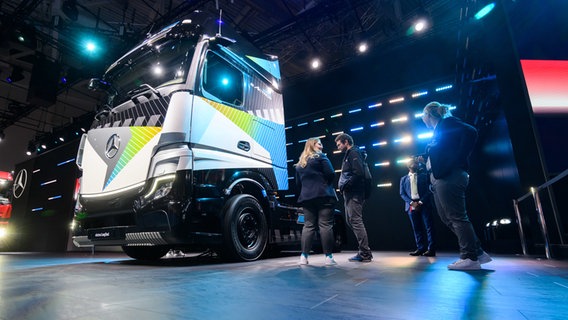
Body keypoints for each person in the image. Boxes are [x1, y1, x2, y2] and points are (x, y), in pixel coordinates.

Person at [421, 101, 492, 270]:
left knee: (457, 216)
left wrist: (457, 160)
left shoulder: (448, 123)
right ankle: (478, 252)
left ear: (428, 115)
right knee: (447, 218)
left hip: (450, 176)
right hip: (440, 177)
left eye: (423, 116)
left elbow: (471, 131)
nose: (423, 120)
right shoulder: (438, 131)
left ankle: (469, 257)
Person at [295, 138, 338, 266]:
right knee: (325, 225)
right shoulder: (321, 157)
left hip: (307, 198)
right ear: (312, 145)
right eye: (319, 144)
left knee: (308, 226)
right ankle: (328, 258)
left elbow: (298, 184)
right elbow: (331, 174)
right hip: (323, 195)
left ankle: (303, 257)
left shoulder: (299, 164)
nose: (322, 146)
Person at [335, 133, 373, 262]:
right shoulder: (350, 154)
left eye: (339, 144)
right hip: (350, 194)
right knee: (350, 221)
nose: (338, 147)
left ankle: (365, 253)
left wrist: (346, 186)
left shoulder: (353, 153)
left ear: (346, 142)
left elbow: (359, 173)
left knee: (355, 221)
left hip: (355, 193)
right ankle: (364, 250)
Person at [399, 158, 436, 257]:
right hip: (411, 205)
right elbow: (402, 193)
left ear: (418, 164)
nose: (413, 163)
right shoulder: (403, 179)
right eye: (411, 162)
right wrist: (412, 203)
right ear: (407, 165)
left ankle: (431, 249)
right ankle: (420, 248)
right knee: (416, 228)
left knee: (429, 227)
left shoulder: (424, 176)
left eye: (415, 162)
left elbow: (429, 190)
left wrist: (420, 202)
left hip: (424, 204)